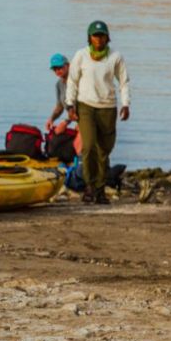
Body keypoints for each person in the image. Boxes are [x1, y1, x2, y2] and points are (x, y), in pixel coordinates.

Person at [65, 20, 131, 204]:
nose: (99, 39)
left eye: (102, 36)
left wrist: (126, 104)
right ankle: (89, 187)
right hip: (85, 106)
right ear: (89, 37)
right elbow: (72, 81)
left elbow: (124, 82)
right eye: (95, 36)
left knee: (103, 151)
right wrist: (70, 105)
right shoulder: (81, 55)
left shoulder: (115, 57)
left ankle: (100, 191)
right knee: (87, 148)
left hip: (107, 108)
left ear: (107, 37)